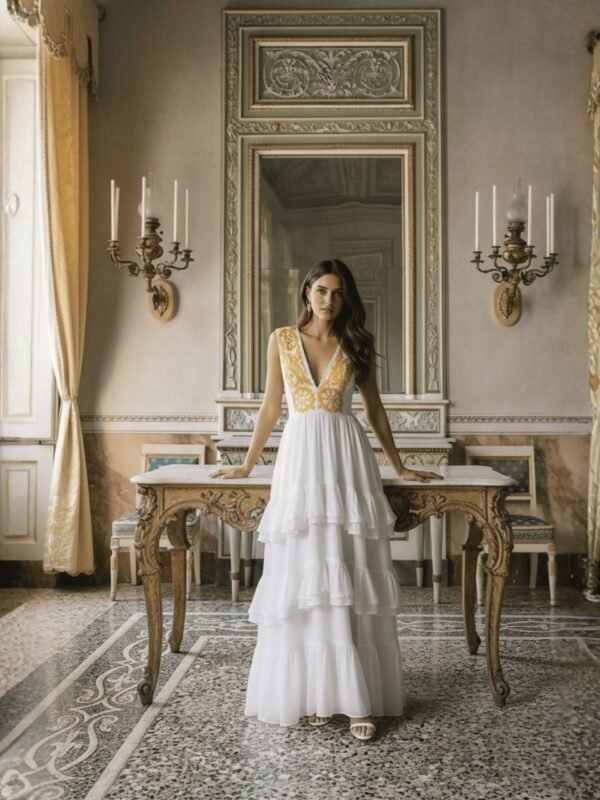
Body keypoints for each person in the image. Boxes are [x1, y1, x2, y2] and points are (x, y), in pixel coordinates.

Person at [209, 258, 441, 741]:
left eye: (337, 293)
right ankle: (316, 692)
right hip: (299, 464)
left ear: (345, 297)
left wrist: (399, 466)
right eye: (320, 290)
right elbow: (271, 407)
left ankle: (357, 699)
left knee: (346, 567)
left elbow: (374, 410)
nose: (328, 300)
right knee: (307, 568)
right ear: (306, 292)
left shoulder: (356, 343)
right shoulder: (281, 340)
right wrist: (247, 465)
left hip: (345, 463)